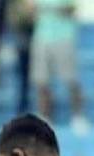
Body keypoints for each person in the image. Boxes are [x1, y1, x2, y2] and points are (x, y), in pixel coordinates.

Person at [31, 0, 87, 132]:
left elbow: (72, 8)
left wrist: (52, 9)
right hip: (42, 36)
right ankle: (45, 118)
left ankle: (78, 116)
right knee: (42, 80)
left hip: (64, 36)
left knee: (71, 79)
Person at [8, 0, 37, 114]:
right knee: (23, 78)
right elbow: (14, 22)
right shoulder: (15, 4)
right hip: (23, 45)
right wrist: (29, 14)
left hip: (38, 43)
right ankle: (22, 107)